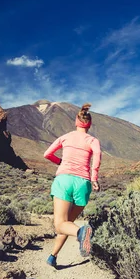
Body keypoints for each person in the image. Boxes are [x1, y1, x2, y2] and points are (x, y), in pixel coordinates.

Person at [43, 103, 102, 268]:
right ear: (89, 124)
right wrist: (94, 178)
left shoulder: (66, 136)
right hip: (83, 183)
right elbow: (97, 157)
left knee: (60, 224)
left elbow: (47, 154)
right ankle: (53, 256)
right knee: (67, 222)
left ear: (76, 122)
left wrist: (60, 161)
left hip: (64, 180)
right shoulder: (93, 140)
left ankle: (81, 232)